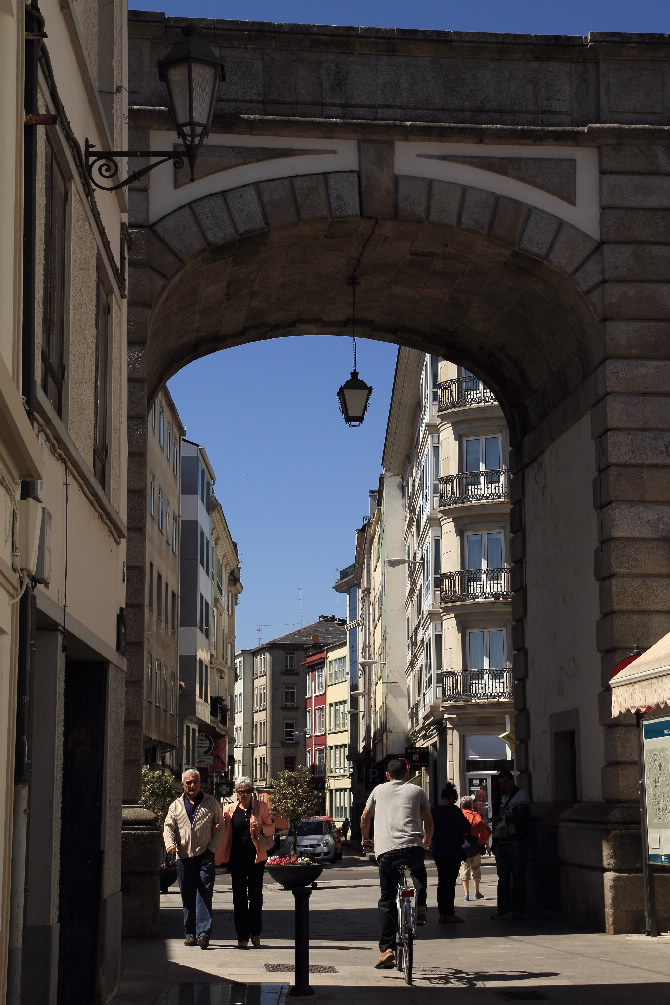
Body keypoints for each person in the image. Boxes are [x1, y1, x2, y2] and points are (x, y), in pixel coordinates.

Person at [360, 758, 433, 969]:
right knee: (418, 870)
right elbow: (428, 820)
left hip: (387, 851)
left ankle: (387, 949)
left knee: (386, 899)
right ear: (407, 773)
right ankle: (421, 904)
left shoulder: (378, 790)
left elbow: (365, 818)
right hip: (413, 847)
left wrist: (365, 839)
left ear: (387, 775)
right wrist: (426, 841)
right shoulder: (417, 791)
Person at [164, 768, 225, 949]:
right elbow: (168, 827)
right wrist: (170, 844)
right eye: (188, 782)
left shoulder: (211, 802)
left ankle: (203, 934)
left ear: (200, 784)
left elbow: (221, 827)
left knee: (204, 894)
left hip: (204, 855)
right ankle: (190, 933)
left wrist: (212, 850)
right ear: (183, 785)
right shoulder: (176, 805)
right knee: (187, 895)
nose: (192, 785)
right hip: (183, 857)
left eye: (195, 782)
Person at [220, 776, 275, 948]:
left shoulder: (261, 807)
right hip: (236, 858)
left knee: (256, 897)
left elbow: (272, 827)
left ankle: (256, 933)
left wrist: (261, 828)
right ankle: (242, 936)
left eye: (247, 791)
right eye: (241, 791)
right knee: (239, 898)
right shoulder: (229, 810)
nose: (244, 795)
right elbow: (222, 829)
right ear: (236, 792)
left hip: (256, 858)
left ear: (252, 792)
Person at [490, 769, 531, 920]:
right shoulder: (502, 797)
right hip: (502, 841)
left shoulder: (521, 795)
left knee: (518, 876)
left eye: (506, 782)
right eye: (501, 783)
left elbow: (521, 816)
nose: (504, 785)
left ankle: (518, 909)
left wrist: (502, 817)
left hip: (516, 840)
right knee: (503, 877)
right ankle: (503, 908)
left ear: (512, 780)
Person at [431, 783, 472, 923]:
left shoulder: (434, 811)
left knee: (441, 881)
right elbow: (466, 827)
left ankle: (442, 913)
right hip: (453, 850)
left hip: (438, 850)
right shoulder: (454, 811)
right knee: (450, 882)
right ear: (453, 798)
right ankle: (449, 913)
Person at [459, 796, 492, 901]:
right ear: (472, 805)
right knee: (476, 869)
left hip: (462, 847)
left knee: (464, 869)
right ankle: (477, 892)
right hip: (475, 846)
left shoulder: (459, 816)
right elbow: (484, 832)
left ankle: (466, 894)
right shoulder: (476, 816)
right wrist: (487, 845)